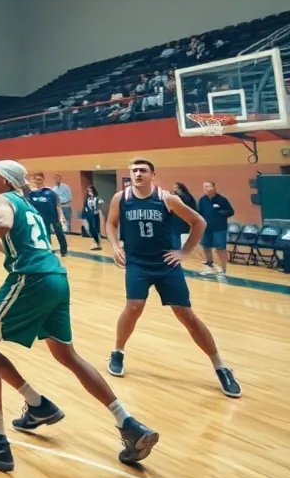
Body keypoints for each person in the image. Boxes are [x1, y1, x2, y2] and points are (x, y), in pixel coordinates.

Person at [0, 160, 158, 472]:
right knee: (67, 355)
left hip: (32, 279)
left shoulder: (2, 200)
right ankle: (126, 422)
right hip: (56, 279)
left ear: (5, 179)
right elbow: (21, 242)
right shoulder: (26, 205)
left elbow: (2, 223)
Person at [104, 158, 241, 398]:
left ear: (152, 175)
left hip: (166, 264)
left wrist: (185, 251)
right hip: (137, 263)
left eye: (142, 171)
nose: (137, 174)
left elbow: (199, 221)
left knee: (187, 315)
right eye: (134, 170)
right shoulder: (121, 198)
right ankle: (118, 352)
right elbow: (111, 223)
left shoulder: (167, 198)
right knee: (133, 306)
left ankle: (221, 367)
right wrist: (115, 247)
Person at [198, 181, 235, 278]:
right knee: (206, 246)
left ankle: (223, 269)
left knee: (220, 249)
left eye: (208, 186)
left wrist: (220, 213)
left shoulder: (222, 199)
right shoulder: (202, 200)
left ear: (214, 188)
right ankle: (210, 267)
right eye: (204, 186)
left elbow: (230, 211)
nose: (206, 188)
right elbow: (199, 213)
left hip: (219, 228)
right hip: (207, 228)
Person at [27, 172, 67, 257]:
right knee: (45, 234)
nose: (38, 181)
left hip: (54, 217)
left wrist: (61, 217)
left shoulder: (50, 192)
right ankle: (48, 249)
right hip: (42, 218)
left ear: (43, 180)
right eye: (36, 179)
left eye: (40, 179)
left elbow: (58, 205)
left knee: (59, 233)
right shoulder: (31, 194)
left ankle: (64, 250)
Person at [82, 186, 103, 250]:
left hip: (95, 215)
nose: (89, 192)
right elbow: (85, 207)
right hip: (89, 215)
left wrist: (97, 209)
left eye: (90, 191)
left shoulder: (97, 198)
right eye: (88, 191)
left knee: (95, 229)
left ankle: (98, 244)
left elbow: (100, 204)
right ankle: (96, 242)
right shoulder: (87, 199)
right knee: (90, 229)